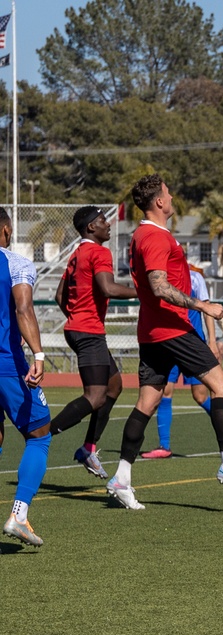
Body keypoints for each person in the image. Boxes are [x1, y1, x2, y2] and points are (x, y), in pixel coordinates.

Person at [105, 174, 223, 510]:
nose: (172, 196)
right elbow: (159, 286)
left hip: (153, 332)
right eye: (168, 193)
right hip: (171, 330)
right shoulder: (152, 236)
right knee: (222, 387)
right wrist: (203, 305)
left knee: (146, 404)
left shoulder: (148, 235)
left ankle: (121, 478)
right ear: (159, 202)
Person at [49, 206, 137, 478]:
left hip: (81, 329)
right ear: (90, 228)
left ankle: (88, 448)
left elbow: (59, 295)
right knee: (96, 396)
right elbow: (108, 288)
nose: (108, 224)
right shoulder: (99, 252)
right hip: (88, 332)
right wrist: (146, 292)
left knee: (113, 387)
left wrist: (75, 317)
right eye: (102, 221)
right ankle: (43, 433)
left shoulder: (77, 254)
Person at [0, 208, 53, 547]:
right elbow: (23, 309)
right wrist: (38, 354)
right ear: (6, 229)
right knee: (40, 434)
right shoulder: (16, 263)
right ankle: (19, 514)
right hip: (7, 363)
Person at [143, 263, 216, 459]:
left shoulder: (194, 277)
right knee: (165, 392)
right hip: (170, 341)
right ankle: (164, 446)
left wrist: (212, 341)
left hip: (193, 343)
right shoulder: (160, 278)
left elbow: (207, 308)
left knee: (200, 396)